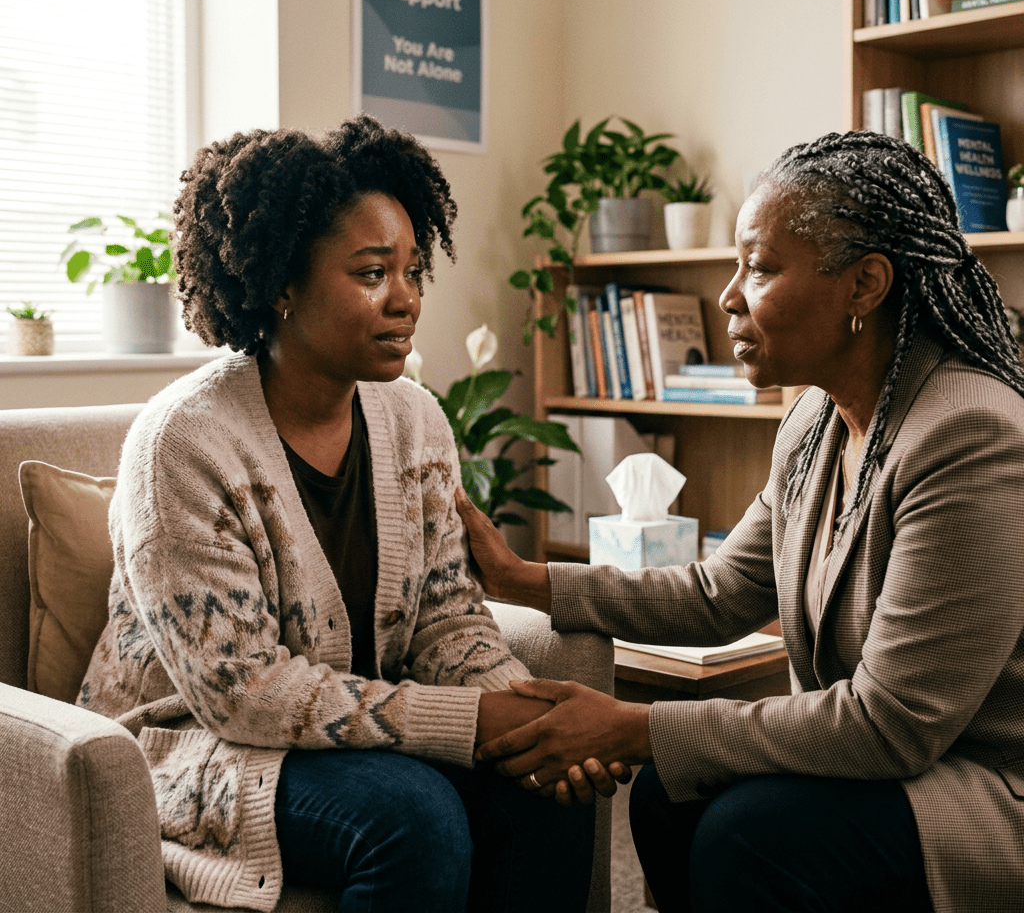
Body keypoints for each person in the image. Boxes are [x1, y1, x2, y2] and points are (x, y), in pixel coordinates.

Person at [457, 129, 1024, 913]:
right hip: (883, 762)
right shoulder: (814, 423)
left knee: (750, 831)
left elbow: (892, 723)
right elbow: (721, 591)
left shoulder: (971, 435)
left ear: (865, 285)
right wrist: (524, 580)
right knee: (668, 797)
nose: (727, 296)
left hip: (981, 788)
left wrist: (633, 726)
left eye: (758, 268)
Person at [76, 115, 594, 913]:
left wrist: (528, 720)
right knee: (413, 820)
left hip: (338, 736)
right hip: (194, 746)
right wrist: (472, 722)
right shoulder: (183, 444)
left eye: (414, 270)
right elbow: (242, 693)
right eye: (371, 273)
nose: (407, 300)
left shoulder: (415, 421)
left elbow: (447, 622)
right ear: (281, 283)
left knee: (544, 795)